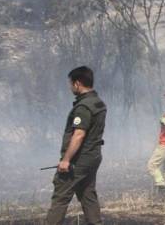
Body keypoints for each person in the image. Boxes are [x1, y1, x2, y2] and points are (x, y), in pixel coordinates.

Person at [46, 66, 107, 225]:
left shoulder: (83, 107)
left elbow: (79, 135)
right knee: (87, 194)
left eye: (70, 84)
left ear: (77, 83)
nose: (70, 87)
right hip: (93, 156)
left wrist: (66, 160)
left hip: (78, 160)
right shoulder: (98, 102)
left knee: (60, 196)